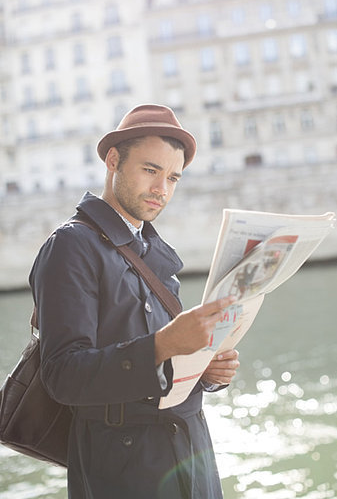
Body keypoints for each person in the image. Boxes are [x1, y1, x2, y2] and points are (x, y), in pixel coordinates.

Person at [29, 104, 240, 499]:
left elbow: (165, 364)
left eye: (173, 177)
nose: (162, 188)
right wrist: (164, 345)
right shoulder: (71, 246)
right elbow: (61, 375)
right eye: (150, 170)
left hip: (191, 458)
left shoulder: (158, 253)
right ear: (113, 160)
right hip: (126, 471)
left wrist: (205, 370)